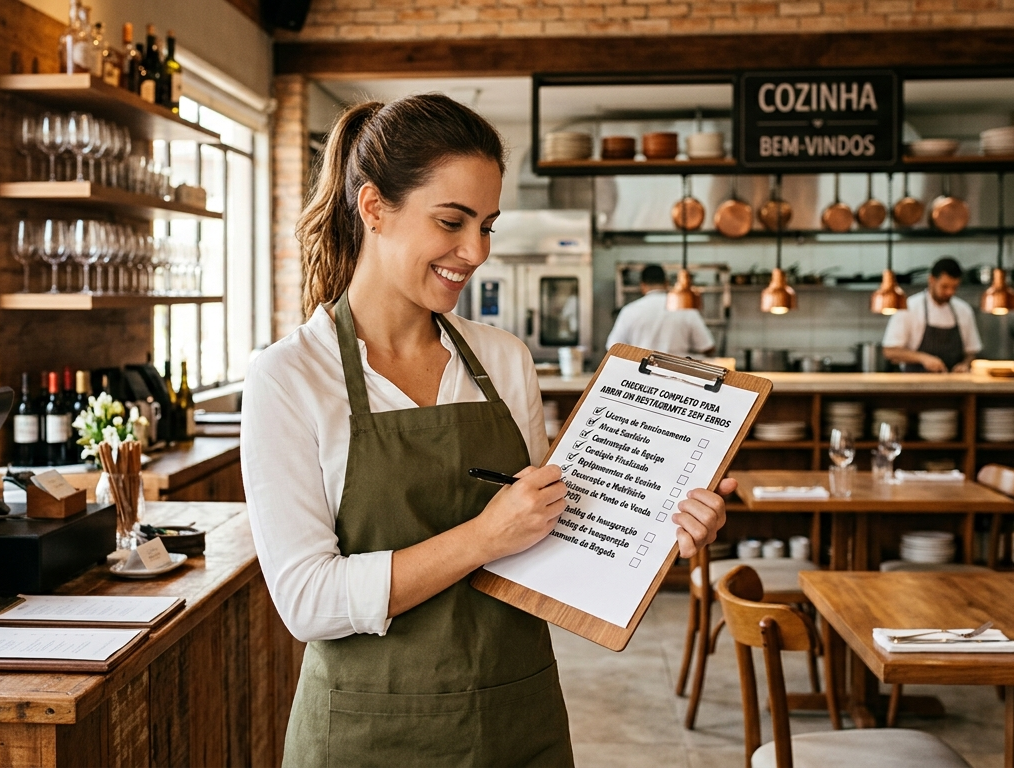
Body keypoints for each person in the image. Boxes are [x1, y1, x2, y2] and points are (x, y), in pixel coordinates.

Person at [240, 95, 733, 767]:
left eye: (487, 225)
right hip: (366, 732)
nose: (476, 252)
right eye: (452, 221)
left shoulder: (502, 359)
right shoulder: (291, 376)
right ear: (374, 207)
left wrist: (655, 526)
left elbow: (543, 535)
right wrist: (483, 536)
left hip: (514, 715)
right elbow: (308, 602)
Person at [882, 257, 983, 373]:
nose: (950, 292)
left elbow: (971, 352)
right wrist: (923, 358)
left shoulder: (964, 310)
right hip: (915, 385)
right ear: (931, 280)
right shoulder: (909, 307)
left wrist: (965, 364)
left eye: (954, 287)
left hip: (955, 385)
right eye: (944, 286)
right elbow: (890, 351)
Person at [606, 264, 716, 357]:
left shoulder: (629, 311)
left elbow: (612, 348)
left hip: (640, 375)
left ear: (642, 285)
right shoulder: (685, 309)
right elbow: (708, 347)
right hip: (678, 377)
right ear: (667, 283)